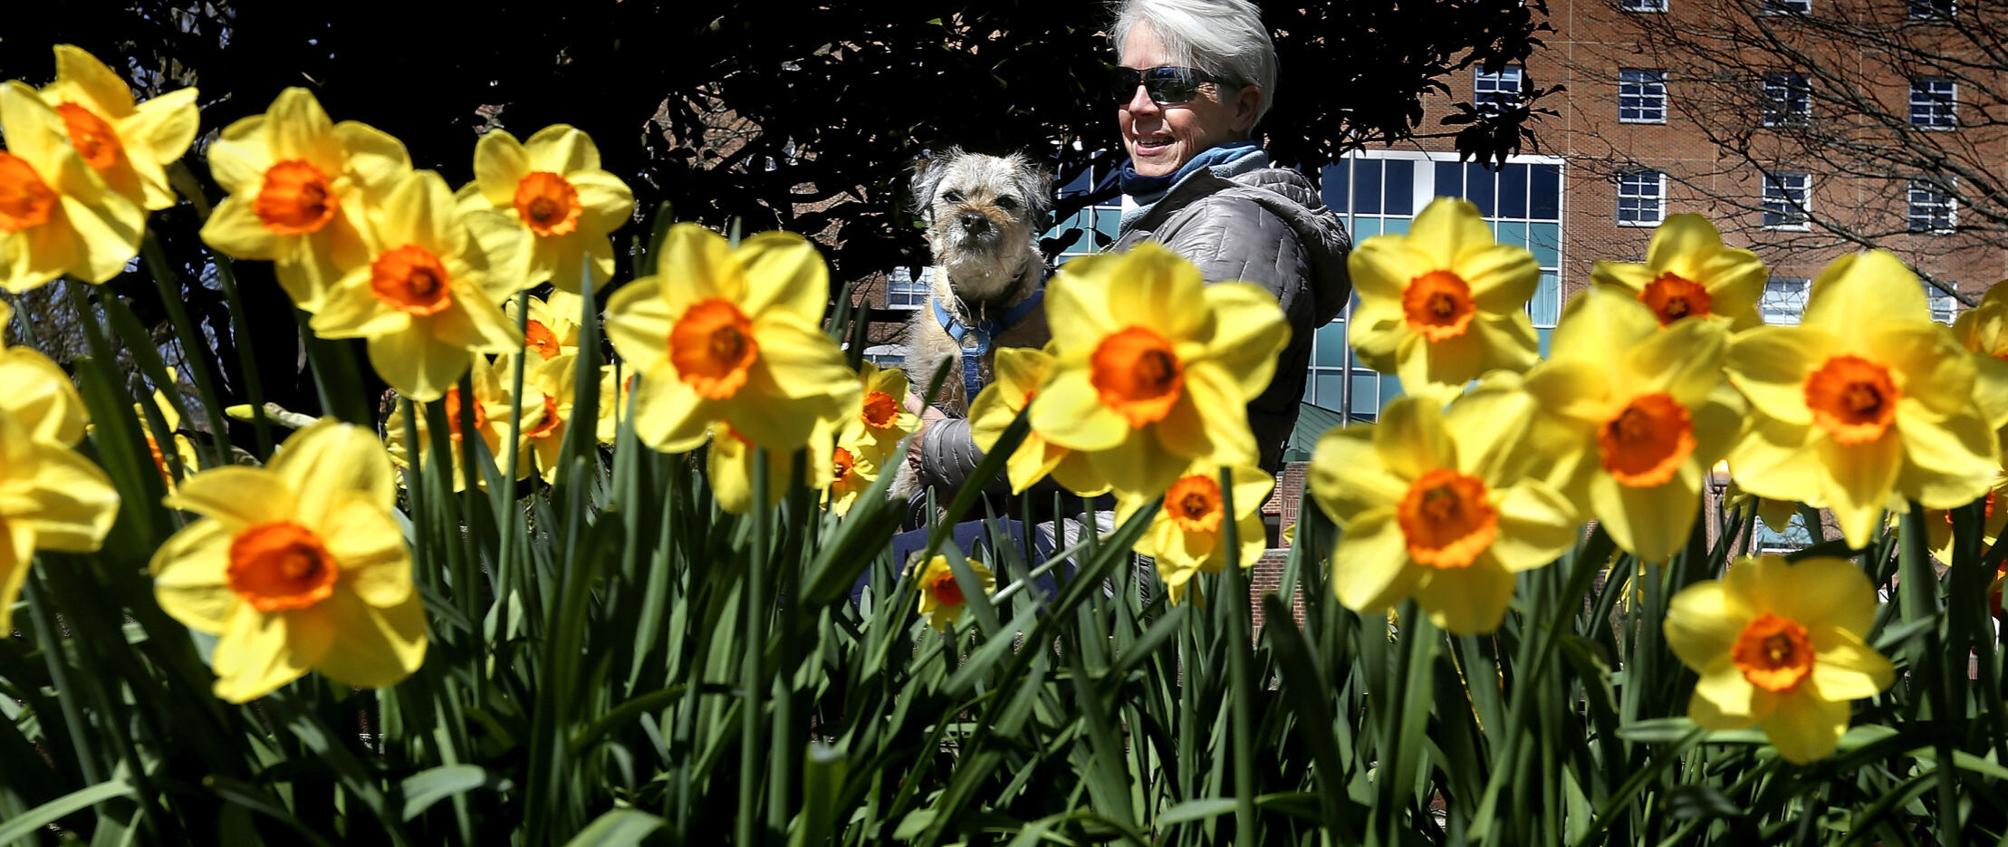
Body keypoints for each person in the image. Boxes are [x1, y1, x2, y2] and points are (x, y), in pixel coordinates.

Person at [911, 0, 1351, 502]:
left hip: (1123, 548)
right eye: (1126, 85)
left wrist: (932, 442)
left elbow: (1119, 423)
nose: (1139, 107)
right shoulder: (1175, 218)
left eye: (1172, 85)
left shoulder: (1232, 229)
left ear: (1243, 107)